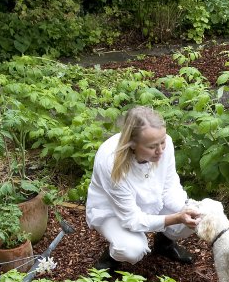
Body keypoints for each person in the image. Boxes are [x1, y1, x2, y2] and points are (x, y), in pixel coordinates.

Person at [86, 106, 201, 272]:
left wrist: (187, 210)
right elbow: (131, 219)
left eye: (162, 143)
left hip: (153, 201)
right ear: (132, 144)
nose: (160, 150)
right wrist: (176, 218)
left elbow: (170, 188)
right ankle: (109, 259)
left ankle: (164, 244)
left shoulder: (163, 145)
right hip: (114, 212)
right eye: (152, 146)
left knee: (195, 215)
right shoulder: (111, 162)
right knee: (132, 249)